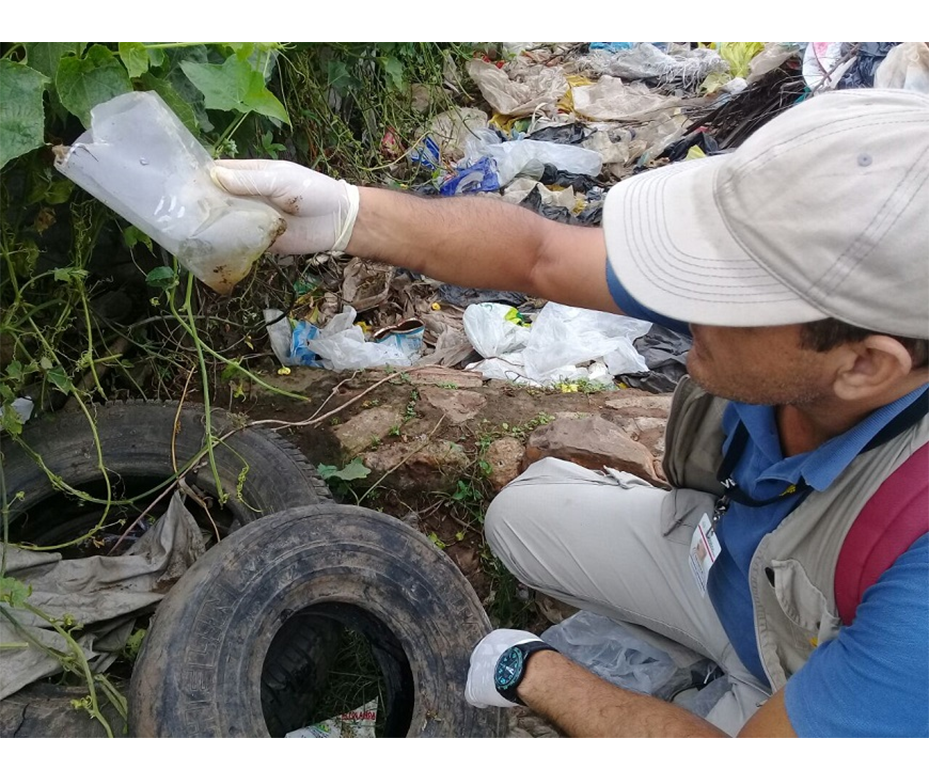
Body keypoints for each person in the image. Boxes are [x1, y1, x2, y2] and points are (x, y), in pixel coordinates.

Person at [212, 88, 929, 738]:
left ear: (866, 364)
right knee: (517, 517)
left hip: (804, 674)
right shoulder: (812, 316)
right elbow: (540, 254)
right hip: (728, 576)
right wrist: (345, 213)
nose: (684, 301)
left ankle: (738, 691)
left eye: (723, 292)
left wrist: (533, 670)